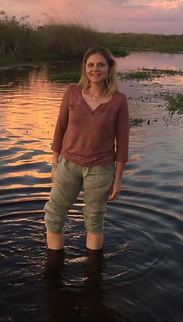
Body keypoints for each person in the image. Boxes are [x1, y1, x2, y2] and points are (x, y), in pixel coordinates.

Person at [44, 46, 130, 252]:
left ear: (109, 68)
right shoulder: (72, 92)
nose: (95, 69)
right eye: (91, 65)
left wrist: (117, 180)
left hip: (101, 169)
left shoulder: (119, 100)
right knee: (54, 215)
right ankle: (53, 269)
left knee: (94, 219)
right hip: (68, 165)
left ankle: (93, 273)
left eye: (101, 64)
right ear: (85, 68)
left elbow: (123, 143)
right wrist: (54, 163)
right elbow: (60, 129)